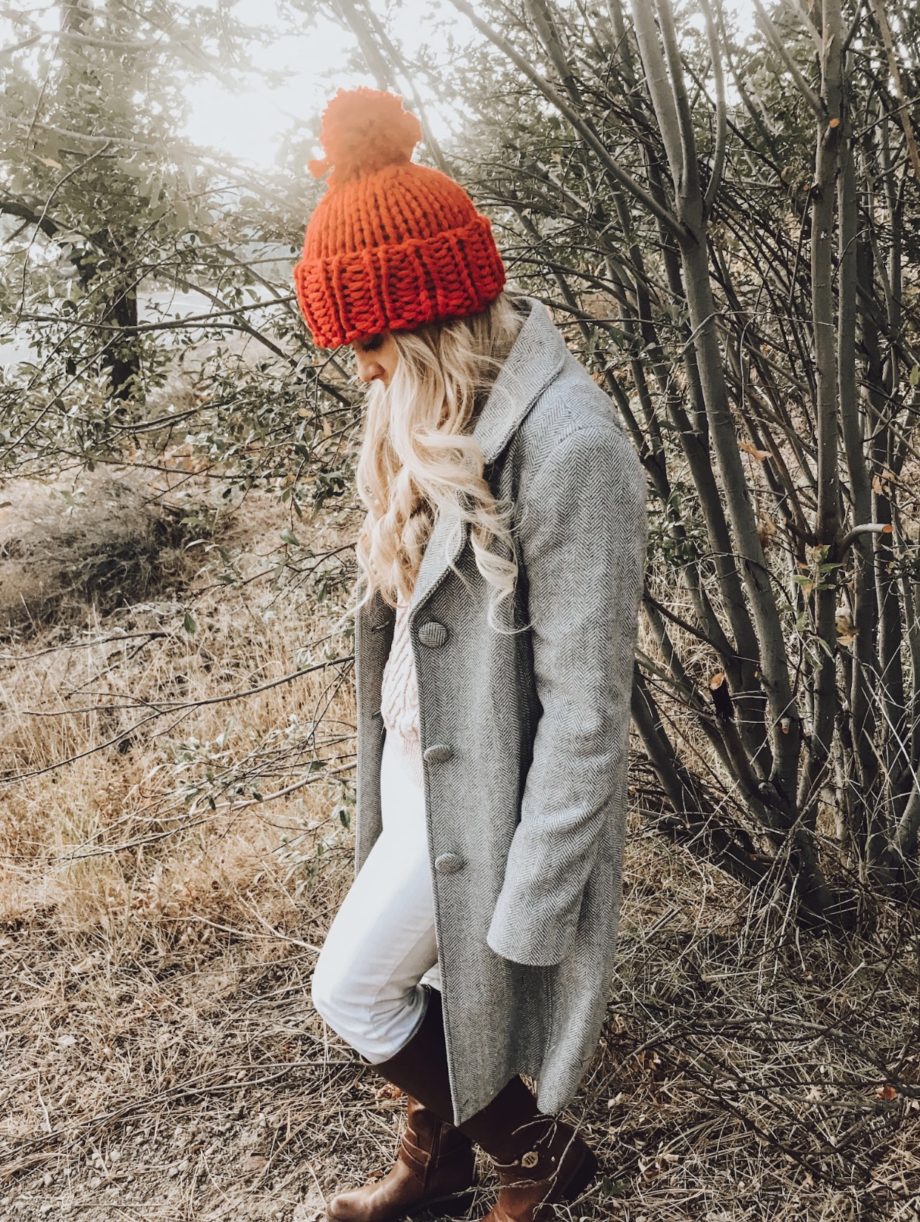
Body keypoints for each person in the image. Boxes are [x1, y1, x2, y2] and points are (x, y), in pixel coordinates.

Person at [293, 86, 649, 1222]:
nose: (361, 369)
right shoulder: (442, 419)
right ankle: (439, 1160)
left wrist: (532, 905)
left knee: (349, 987)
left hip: (491, 807)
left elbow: (587, 709)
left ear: (436, 320)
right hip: (418, 766)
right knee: (426, 977)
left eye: (371, 341)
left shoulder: (570, 448)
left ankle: (536, 1155)